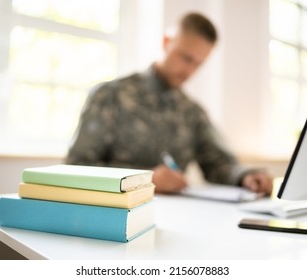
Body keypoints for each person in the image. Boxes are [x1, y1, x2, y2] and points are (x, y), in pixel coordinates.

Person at [65, 12, 273, 195]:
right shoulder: (110, 96)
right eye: (185, 58)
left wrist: (245, 177)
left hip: (178, 222)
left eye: (198, 64)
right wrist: (145, 179)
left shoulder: (192, 112)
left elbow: (218, 163)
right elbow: (76, 167)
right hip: (115, 219)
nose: (190, 71)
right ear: (166, 42)